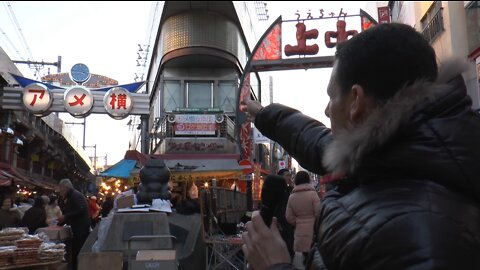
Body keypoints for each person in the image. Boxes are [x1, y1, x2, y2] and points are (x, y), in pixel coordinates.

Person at [241, 23, 480, 269]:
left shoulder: (415, 230)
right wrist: (265, 114)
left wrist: (275, 265)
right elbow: (319, 143)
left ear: (356, 100)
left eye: (331, 97)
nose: (327, 110)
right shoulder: (405, 149)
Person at [285, 171, 320, 269]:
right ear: (308, 180)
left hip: (300, 230)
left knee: (305, 254)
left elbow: (288, 216)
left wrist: (297, 222)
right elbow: (318, 212)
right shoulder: (313, 194)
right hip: (314, 230)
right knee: (314, 255)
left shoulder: (292, 197)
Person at [57, 179, 90, 270]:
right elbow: (72, 212)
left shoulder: (75, 195)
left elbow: (80, 210)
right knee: (75, 251)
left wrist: (65, 217)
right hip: (77, 227)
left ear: (66, 187)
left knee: (77, 251)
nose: (60, 190)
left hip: (81, 228)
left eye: (61, 188)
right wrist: (61, 222)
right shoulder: (71, 196)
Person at [274, 169, 295, 260]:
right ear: (280, 177)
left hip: (289, 221)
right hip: (279, 220)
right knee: (281, 243)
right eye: (287, 175)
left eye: (290, 176)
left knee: (290, 244)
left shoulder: (289, 189)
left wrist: (291, 187)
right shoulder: (276, 189)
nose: (289, 178)